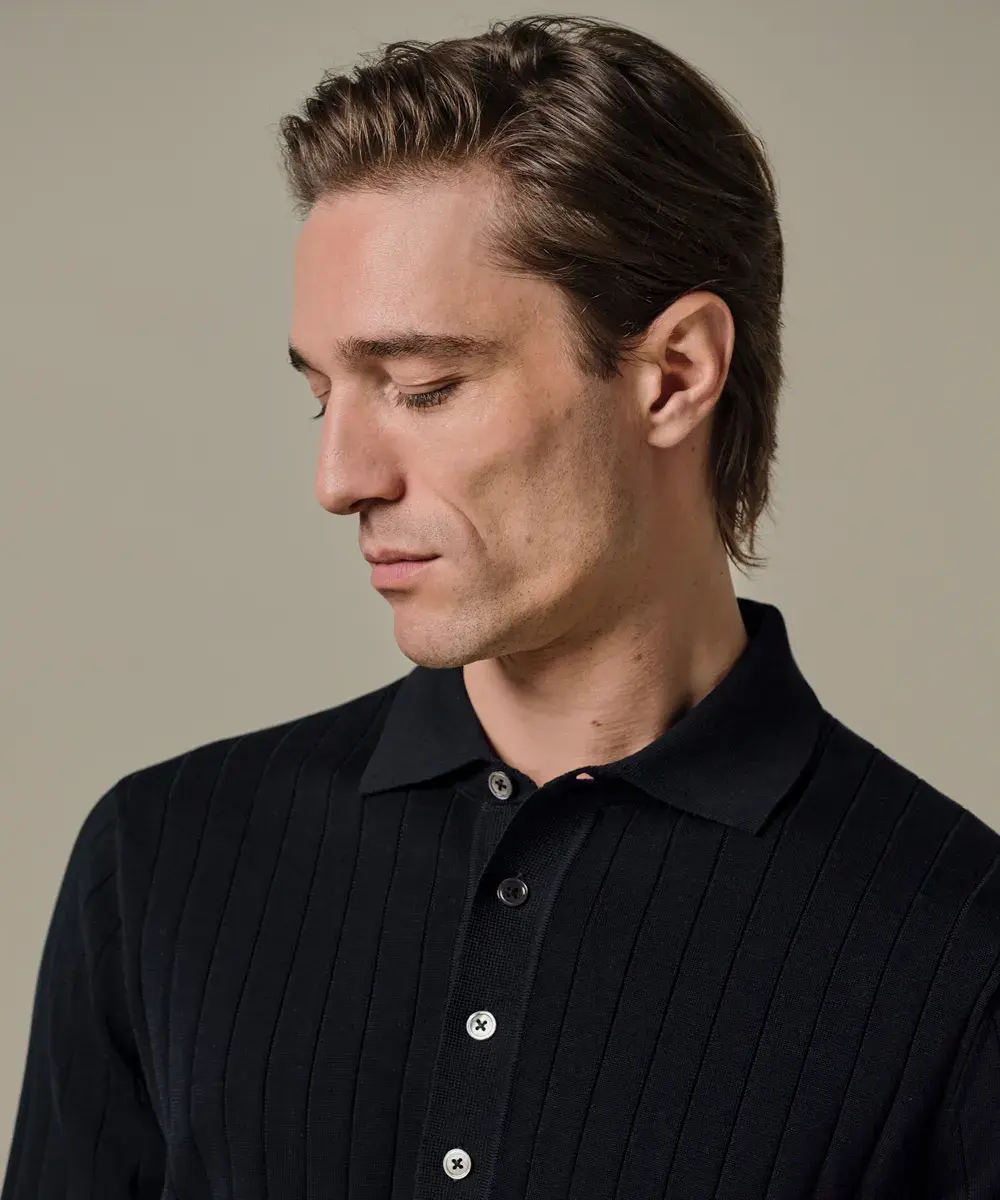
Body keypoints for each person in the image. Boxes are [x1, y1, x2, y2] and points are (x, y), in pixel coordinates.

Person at [3, 13, 998, 1200]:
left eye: (423, 387)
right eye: (322, 392)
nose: (339, 479)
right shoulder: (161, 861)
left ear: (674, 374)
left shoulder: (961, 944)